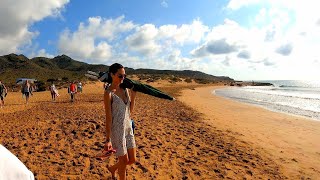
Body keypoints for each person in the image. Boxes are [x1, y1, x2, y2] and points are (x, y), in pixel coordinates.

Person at [104, 63, 137, 180]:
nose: (123, 78)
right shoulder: (109, 93)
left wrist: (133, 96)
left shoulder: (125, 89)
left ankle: (113, 168)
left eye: (124, 76)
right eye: (120, 76)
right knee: (123, 161)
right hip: (117, 131)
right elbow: (108, 117)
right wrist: (108, 140)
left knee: (132, 160)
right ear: (112, 75)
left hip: (128, 127)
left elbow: (129, 112)